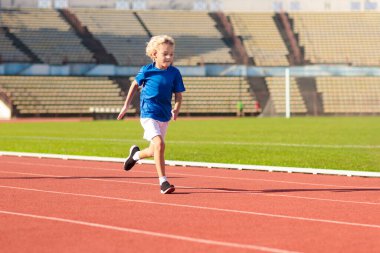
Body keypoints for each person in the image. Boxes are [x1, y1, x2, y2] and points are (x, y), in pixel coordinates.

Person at [117, 35, 185, 194]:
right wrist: (126, 105)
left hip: (164, 116)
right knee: (160, 144)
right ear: (154, 54)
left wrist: (176, 108)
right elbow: (134, 85)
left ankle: (135, 156)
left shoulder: (174, 73)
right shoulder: (147, 70)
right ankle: (164, 182)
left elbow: (179, 95)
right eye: (165, 54)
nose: (169, 57)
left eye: (171, 54)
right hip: (148, 114)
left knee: (153, 150)